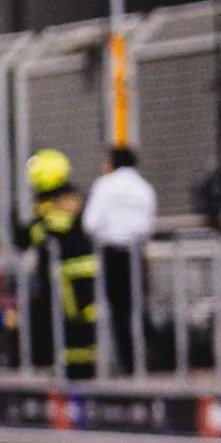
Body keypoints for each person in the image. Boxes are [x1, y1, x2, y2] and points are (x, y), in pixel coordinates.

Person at [21, 148, 98, 379]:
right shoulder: (69, 200)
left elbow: (37, 233)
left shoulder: (55, 208)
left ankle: (76, 372)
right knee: (78, 324)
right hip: (76, 272)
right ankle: (78, 369)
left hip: (66, 275)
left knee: (71, 324)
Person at [82, 145, 158, 374]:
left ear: (112, 162)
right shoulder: (145, 189)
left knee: (118, 311)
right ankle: (155, 357)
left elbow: (91, 223)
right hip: (136, 253)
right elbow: (147, 226)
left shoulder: (104, 186)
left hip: (112, 254)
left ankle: (128, 363)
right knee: (139, 306)